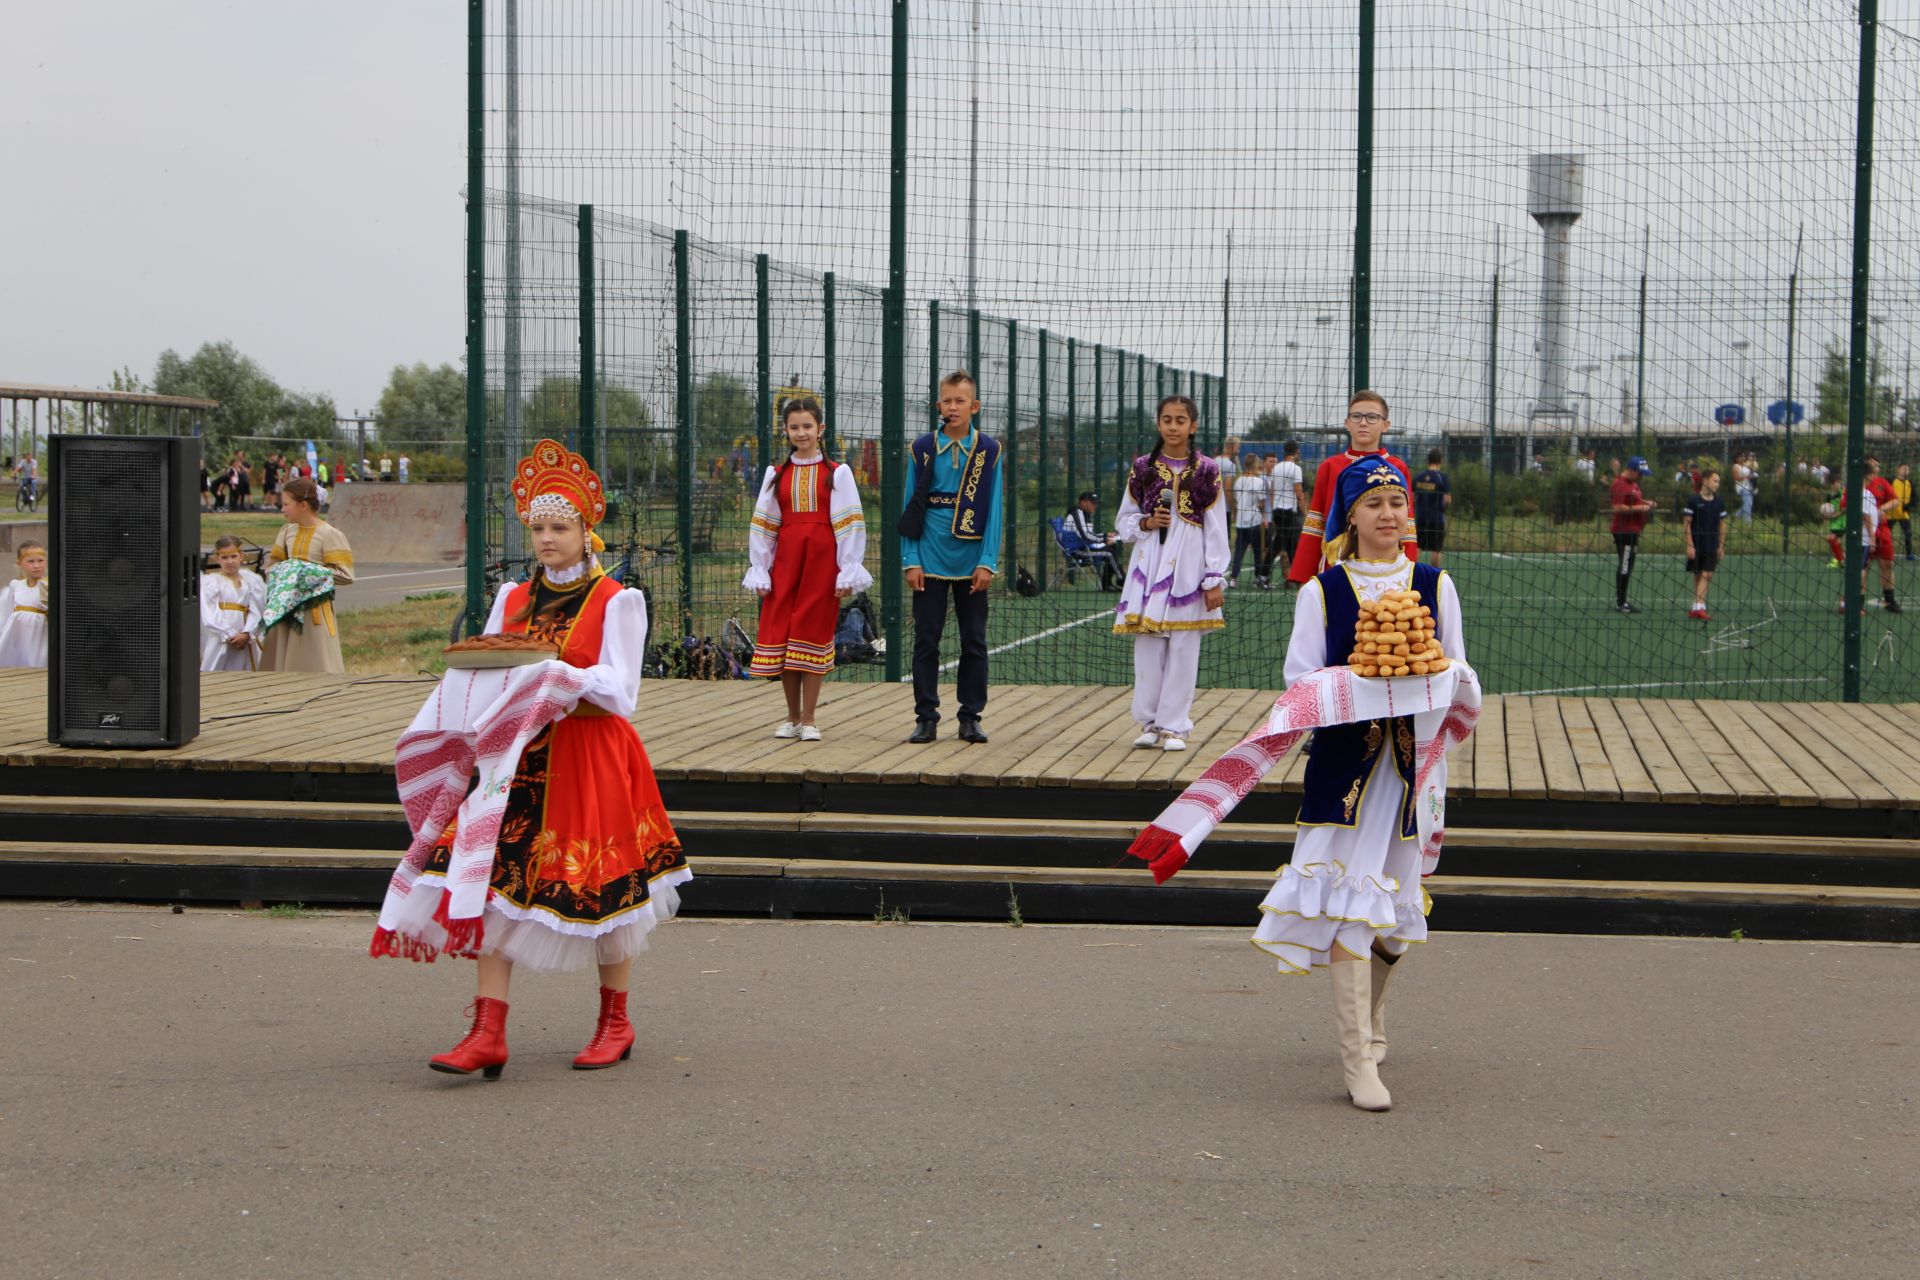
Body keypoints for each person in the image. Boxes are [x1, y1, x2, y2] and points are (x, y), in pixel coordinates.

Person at [371, 437, 690, 1078]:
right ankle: (487, 1030)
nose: (547, 539)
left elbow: (621, 692)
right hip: (513, 759)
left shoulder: (617, 600)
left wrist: (560, 678)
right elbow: (491, 667)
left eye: (560, 527)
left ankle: (615, 1022)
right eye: (539, 527)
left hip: (590, 754)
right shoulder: (511, 598)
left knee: (601, 888)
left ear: (585, 529)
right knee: (489, 881)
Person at [1260, 457, 1466, 1111]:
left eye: (1397, 502)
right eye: (1374, 503)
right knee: (1352, 906)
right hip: (1347, 774)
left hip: (1414, 769)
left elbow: (1457, 669)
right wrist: (1365, 685)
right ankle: (1357, 1063)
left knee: (1397, 923)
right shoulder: (1323, 591)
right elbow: (1301, 685)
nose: (1389, 514)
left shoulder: (1436, 584)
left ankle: (1374, 1021)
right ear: (1349, 513)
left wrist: (1434, 684)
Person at [742, 397, 873, 741]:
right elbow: (765, 524)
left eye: (807, 426)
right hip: (786, 564)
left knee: (812, 634)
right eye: (794, 427)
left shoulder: (837, 474)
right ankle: (792, 716)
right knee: (785, 636)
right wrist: (761, 569)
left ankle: (811, 719)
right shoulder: (776, 475)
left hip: (820, 564)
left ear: (820, 429)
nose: (801, 433)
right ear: (785, 430)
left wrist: (848, 571)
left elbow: (849, 523)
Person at [1113, 395, 1229, 753]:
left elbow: (1215, 526)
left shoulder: (1208, 469)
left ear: (1193, 426)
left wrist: (1214, 577)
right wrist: (1147, 521)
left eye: (1181, 420)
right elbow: (1124, 520)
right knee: (1148, 646)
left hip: (1190, 565)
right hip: (1150, 560)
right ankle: (1149, 722)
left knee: (1182, 647)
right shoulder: (1143, 468)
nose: (1173, 426)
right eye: (1167, 419)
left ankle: (1175, 726)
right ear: (1158, 424)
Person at [901, 370, 1003, 745]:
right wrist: (911, 558)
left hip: (971, 557)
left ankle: (970, 716)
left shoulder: (989, 451)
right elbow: (911, 503)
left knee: (973, 640)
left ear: (974, 406)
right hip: (928, 556)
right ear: (938, 405)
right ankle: (925, 716)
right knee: (926, 639)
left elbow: (994, 509)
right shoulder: (923, 449)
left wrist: (987, 560)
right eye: (948, 400)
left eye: (961, 400)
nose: (954, 406)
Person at [1285, 390, 1418, 586]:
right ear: (1347, 423)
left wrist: (1410, 570)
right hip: (1337, 568)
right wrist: (1304, 576)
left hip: (1385, 568)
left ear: (1385, 425)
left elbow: (1406, 526)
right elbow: (1316, 523)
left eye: (1372, 417)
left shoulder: (1397, 469)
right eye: (1356, 416)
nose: (1363, 423)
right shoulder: (1329, 467)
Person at [260, 477, 355, 672]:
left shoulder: (329, 534)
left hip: (314, 611)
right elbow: (273, 564)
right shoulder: (287, 531)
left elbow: (346, 575)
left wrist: (306, 572)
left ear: (303, 505)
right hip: (286, 607)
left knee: (313, 662)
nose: (282, 509)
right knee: (280, 662)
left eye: (286, 504)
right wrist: (283, 571)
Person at [199, 535, 266, 670]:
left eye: (233, 556)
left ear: (241, 556)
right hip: (221, 637)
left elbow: (258, 610)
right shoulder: (211, 582)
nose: (230, 561)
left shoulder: (253, 581)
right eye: (224, 557)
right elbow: (209, 612)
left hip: (246, 637)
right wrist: (229, 633)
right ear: (217, 558)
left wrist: (247, 633)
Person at [1609, 456, 1655, 614]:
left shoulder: (1633, 484)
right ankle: (1621, 602)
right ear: (1632, 470)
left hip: (1633, 530)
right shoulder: (1619, 484)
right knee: (1625, 564)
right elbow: (1617, 507)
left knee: (1628, 564)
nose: (1642, 477)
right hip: (1624, 531)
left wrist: (1646, 502)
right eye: (1640, 473)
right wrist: (1640, 508)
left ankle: (1622, 601)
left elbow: (1635, 500)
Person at [1683, 467, 1728, 621]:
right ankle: (1697, 607)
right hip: (1697, 544)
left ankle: (1699, 606)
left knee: (1707, 574)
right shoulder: (1693, 500)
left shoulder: (1719, 502)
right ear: (1705, 480)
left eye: (1718, 482)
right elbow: (1687, 524)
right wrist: (1689, 545)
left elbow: (1723, 524)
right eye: (1715, 481)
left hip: (1711, 544)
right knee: (1697, 575)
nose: (1717, 484)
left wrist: (1721, 545)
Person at [0, 540, 50, 668]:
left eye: (40, 560)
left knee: (36, 663)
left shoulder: (47, 586)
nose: (36, 566)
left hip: (38, 637)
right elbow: (7, 612)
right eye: (31, 561)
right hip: (17, 637)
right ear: (20, 563)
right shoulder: (16, 585)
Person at [1227, 451, 1271, 588]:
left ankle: (1233, 578)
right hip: (1255, 521)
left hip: (1241, 522)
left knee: (1239, 551)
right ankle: (1258, 578)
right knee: (1258, 550)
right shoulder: (1259, 482)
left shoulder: (1239, 481)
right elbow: (1262, 503)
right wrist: (1264, 517)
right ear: (1255, 464)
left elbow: (1235, 499)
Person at [1063, 490, 1122, 591]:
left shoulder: (1084, 514)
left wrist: (1105, 535)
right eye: (1092, 503)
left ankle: (1107, 584)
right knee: (1109, 553)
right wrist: (1104, 539)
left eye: (1097, 503)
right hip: (1077, 552)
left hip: (1084, 547)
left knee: (1112, 547)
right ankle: (1123, 581)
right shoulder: (1077, 514)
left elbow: (1087, 535)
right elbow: (1086, 536)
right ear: (1082, 502)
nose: (1095, 505)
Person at [1268, 440, 1306, 578]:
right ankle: (1263, 573)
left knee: (1290, 544)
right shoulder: (1296, 468)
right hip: (1289, 511)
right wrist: (1305, 512)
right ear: (1296, 452)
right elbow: (1298, 492)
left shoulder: (1276, 468)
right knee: (1280, 544)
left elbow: (1271, 491)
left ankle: (1294, 575)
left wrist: (1273, 509)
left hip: (1277, 510)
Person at [1411, 449, 1451, 568]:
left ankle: (1410, 572)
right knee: (1436, 549)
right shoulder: (1442, 477)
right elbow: (1447, 499)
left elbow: (1411, 497)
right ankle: (1435, 574)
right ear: (1441, 461)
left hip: (1421, 518)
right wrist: (1444, 509)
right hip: (1436, 518)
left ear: (1428, 460)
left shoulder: (1419, 477)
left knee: (1418, 547)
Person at [1890, 462, 1913, 561]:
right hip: (1891, 513)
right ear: (1898, 470)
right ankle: (1879, 552)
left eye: (1907, 469)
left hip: (1904, 514)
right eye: (1904, 469)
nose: (1905, 471)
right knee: (1885, 533)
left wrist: (1909, 506)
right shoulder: (1892, 481)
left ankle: (1909, 554)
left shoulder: (1910, 483)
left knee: (1908, 533)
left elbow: (1914, 498)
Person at [1732, 452, 1755, 523]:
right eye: (1741, 456)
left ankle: (1736, 515)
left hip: (1748, 486)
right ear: (1737, 458)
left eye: (1744, 456)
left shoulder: (1745, 465)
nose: (1743, 458)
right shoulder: (1736, 466)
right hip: (1741, 487)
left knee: (1749, 503)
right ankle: (1747, 521)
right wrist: (1747, 477)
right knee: (1748, 503)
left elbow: (1750, 472)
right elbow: (1736, 478)